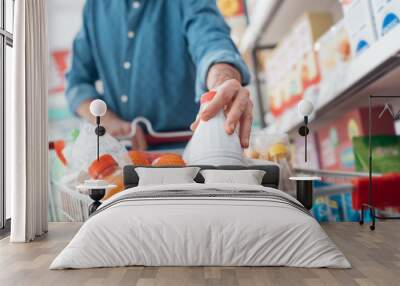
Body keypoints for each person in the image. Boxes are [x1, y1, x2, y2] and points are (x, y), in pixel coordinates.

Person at [66, 0, 253, 150]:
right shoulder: (94, 6)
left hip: (191, 153)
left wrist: (223, 81)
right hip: (122, 157)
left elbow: (211, 41)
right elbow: (77, 83)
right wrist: (109, 121)